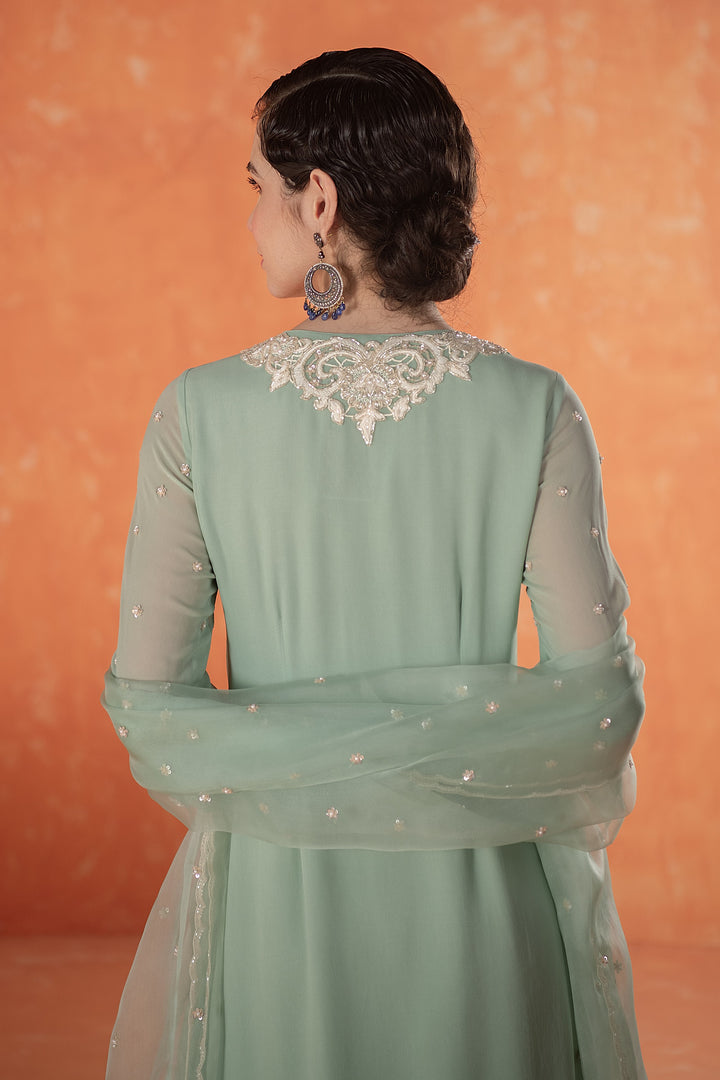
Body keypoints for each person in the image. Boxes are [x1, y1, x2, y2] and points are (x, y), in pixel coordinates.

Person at [103, 47, 646, 1080]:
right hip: (486, 912)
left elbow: (151, 710)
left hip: (277, 911)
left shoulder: (196, 413)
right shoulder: (537, 407)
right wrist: (442, 743)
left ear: (319, 202)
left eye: (258, 187)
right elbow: (598, 711)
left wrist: (305, 759)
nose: (251, 219)